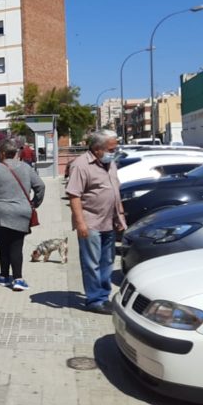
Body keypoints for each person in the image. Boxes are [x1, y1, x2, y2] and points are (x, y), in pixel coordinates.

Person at [65, 129, 127, 314]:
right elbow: (74, 195)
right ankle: (94, 300)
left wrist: (119, 216)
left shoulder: (110, 163)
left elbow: (115, 190)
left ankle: (103, 295)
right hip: (90, 222)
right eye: (111, 149)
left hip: (109, 221)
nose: (113, 152)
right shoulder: (81, 165)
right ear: (97, 148)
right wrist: (80, 223)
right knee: (91, 263)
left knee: (107, 261)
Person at [0, 139, 45, 291]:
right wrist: (35, 203)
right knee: (16, 246)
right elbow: (40, 186)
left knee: (3, 246)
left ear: (2, 153)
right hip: (21, 213)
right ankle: (18, 279)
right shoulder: (26, 168)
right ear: (16, 153)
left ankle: (3, 277)